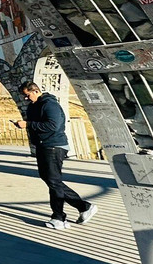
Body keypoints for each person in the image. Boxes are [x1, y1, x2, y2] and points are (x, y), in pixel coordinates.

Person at [13, 81, 97, 230]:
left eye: (27, 96)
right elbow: (36, 123)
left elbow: (53, 125)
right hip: (43, 145)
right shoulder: (34, 106)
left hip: (54, 145)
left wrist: (28, 124)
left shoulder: (50, 104)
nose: (26, 99)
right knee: (51, 180)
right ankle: (84, 207)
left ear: (36, 91)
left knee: (53, 181)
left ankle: (58, 218)